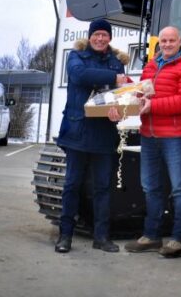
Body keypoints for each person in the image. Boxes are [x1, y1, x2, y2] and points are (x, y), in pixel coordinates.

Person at [111, 26, 181, 258]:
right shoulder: (151, 66)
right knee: (151, 187)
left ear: (180, 41)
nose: (167, 44)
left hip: (175, 136)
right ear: (158, 43)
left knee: (180, 189)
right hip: (149, 135)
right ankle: (152, 235)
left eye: (172, 40)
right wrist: (128, 88)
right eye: (163, 41)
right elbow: (142, 94)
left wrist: (153, 106)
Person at [54, 18, 128, 254]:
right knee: (72, 185)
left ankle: (101, 237)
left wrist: (118, 110)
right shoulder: (76, 57)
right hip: (77, 132)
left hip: (104, 134)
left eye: (104, 35)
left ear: (109, 38)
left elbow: (118, 95)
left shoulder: (116, 63)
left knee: (103, 188)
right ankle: (65, 235)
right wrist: (112, 78)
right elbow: (80, 76)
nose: (100, 38)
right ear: (90, 36)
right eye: (96, 34)